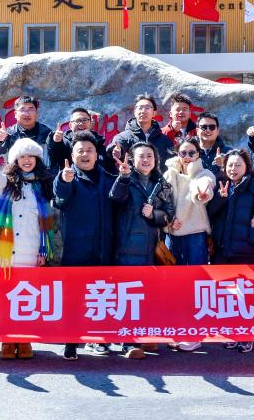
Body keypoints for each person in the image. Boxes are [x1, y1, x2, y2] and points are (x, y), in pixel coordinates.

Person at [0, 138, 58, 361]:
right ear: (15, 160)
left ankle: (24, 339)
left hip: (31, 251)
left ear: (37, 160)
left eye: (30, 156)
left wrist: (43, 252)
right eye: (22, 156)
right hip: (6, 253)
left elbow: (46, 226)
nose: (26, 160)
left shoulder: (43, 187)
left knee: (26, 298)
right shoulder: (9, 184)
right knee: (5, 298)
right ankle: (6, 340)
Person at [53, 131, 117, 359]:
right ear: (72, 155)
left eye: (89, 150)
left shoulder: (108, 178)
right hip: (76, 249)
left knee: (100, 296)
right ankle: (71, 341)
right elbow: (60, 198)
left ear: (97, 154)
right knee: (74, 297)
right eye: (80, 151)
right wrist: (63, 180)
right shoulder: (68, 177)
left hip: (103, 247)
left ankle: (97, 338)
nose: (85, 154)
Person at [109, 142, 175, 359]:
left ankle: (144, 335)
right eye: (141, 156)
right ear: (132, 160)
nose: (145, 160)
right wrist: (123, 178)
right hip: (126, 247)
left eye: (149, 156)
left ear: (155, 159)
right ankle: (128, 342)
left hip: (150, 249)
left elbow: (168, 215)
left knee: (147, 295)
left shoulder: (161, 184)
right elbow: (115, 198)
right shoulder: (126, 180)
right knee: (128, 295)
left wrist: (153, 214)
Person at [206, 148, 254, 353]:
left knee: (245, 295)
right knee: (226, 294)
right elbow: (209, 214)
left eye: (238, 165)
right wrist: (221, 198)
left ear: (246, 167)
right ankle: (230, 332)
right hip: (221, 250)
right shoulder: (220, 185)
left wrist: (251, 237)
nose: (233, 169)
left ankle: (247, 335)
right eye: (230, 165)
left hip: (245, 251)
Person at [162, 137, 216, 267]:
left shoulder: (204, 173)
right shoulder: (169, 174)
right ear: (178, 154)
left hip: (196, 233)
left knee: (198, 273)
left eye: (191, 153)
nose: (187, 156)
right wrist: (169, 220)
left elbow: (206, 183)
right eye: (183, 153)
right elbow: (162, 201)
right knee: (173, 274)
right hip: (173, 231)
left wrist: (202, 194)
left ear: (198, 154)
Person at [46, 105, 113, 173]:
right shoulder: (63, 142)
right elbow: (55, 158)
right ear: (70, 125)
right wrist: (56, 143)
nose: (81, 123)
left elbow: (110, 169)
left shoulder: (99, 142)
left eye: (85, 120)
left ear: (90, 124)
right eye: (77, 121)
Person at [110, 94, 172, 165]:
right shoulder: (123, 137)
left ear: (154, 113)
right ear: (135, 112)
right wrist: (116, 151)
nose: (143, 111)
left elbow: (172, 162)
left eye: (147, 108)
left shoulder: (164, 140)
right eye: (140, 108)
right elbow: (116, 148)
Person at [0, 95, 52, 165]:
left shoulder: (46, 133)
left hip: (42, 171)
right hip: (16, 171)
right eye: (22, 110)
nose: (27, 114)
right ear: (15, 114)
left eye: (31, 109)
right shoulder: (9, 133)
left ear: (36, 113)